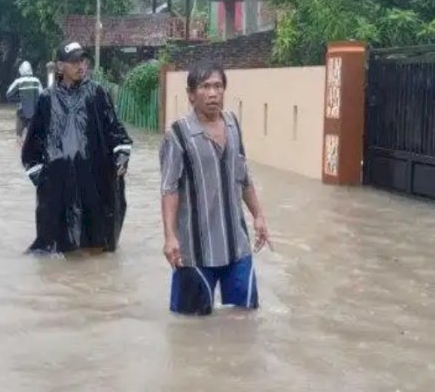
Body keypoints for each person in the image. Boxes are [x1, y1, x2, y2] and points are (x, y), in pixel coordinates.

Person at [159, 61, 273, 316]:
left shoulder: (233, 125)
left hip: (236, 246)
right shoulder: (177, 135)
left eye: (218, 86)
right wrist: (170, 237)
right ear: (191, 95)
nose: (213, 93)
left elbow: (243, 176)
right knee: (190, 328)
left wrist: (259, 216)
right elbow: (169, 189)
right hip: (194, 251)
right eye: (205, 86)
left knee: (244, 320)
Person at [21, 41, 133, 255]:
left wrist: (121, 158)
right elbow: (32, 145)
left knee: (96, 241)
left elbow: (116, 131)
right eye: (74, 61)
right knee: (58, 245)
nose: (81, 66)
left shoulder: (97, 93)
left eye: (83, 60)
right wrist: (43, 179)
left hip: (94, 181)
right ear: (60, 66)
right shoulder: (47, 98)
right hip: (58, 186)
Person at [5, 61, 43, 140]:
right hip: (34, 113)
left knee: (19, 136)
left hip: (21, 113)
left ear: (21, 70)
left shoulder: (18, 81)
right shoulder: (36, 81)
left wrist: (19, 99)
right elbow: (42, 96)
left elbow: (8, 95)